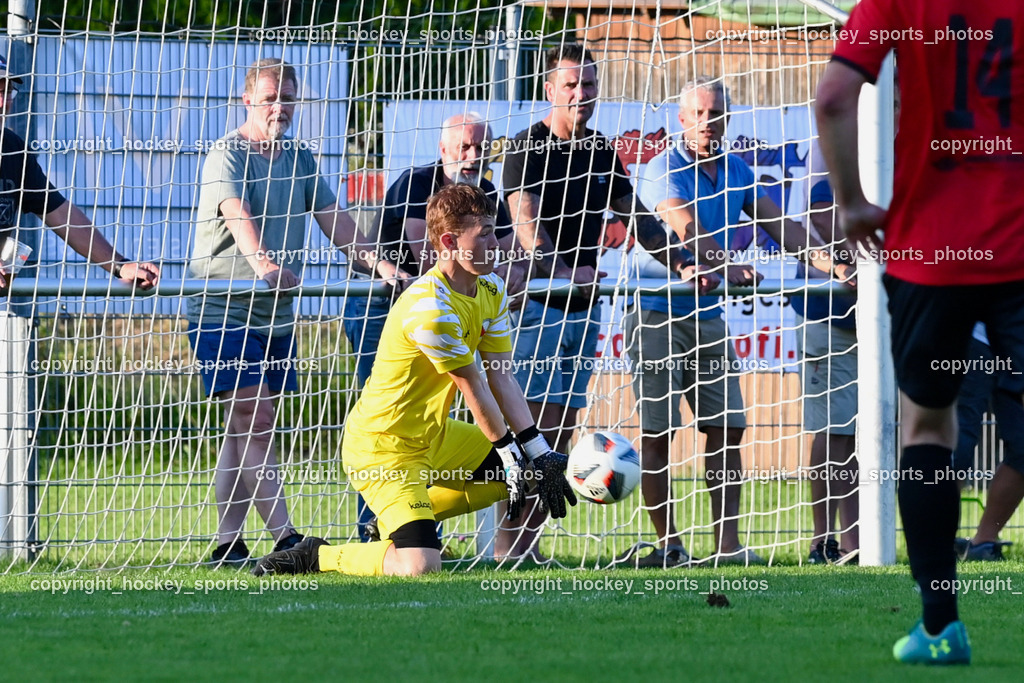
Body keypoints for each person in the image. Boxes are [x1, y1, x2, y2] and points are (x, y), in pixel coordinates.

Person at [817, 0, 1024, 664]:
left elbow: (833, 98)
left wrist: (850, 203)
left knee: (928, 429)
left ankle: (940, 626)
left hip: (930, 253)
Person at [252, 183, 578, 577]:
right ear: (449, 241)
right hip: (383, 448)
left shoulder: (490, 289)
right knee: (420, 566)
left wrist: (538, 451)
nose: (499, 243)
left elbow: (501, 378)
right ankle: (316, 556)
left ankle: (397, 521)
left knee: (531, 471)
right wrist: (511, 453)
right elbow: (472, 388)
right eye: (487, 233)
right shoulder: (430, 307)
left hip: (434, 436)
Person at [628, 77, 851, 568]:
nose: (708, 123)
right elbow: (683, 223)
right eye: (699, 114)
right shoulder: (661, 167)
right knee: (658, 433)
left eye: (717, 114)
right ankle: (669, 545)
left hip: (708, 315)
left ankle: (727, 545)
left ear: (729, 119)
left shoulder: (737, 168)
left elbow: (784, 228)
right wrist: (722, 264)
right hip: (655, 312)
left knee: (728, 428)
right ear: (682, 118)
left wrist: (830, 263)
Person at [501, 43, 705, 561]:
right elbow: (527, 231)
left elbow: (637, 217)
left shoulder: (598, 150)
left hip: (584, 309)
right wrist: (566, 273)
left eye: (588, 85)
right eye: (569, 85)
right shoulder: (527, 148)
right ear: (549, 90)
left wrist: (683, 262)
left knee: (564, 427)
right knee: (531, 429)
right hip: (538, 309)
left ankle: (530, 547)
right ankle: (505, 547)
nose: (580, 94)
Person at [187, 58, 361, 568]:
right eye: (270, 99)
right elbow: (236, 213)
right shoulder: (227, 153)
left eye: (287, 98)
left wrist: (380, 264)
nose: (279, 108)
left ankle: (226, 544)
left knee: (245, 426)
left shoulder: (302, 158)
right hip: (222, 306)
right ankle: (288, 540)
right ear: (248, 101)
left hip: (277, 314)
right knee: (254, 416)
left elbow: (336, 221)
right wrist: (263, 263)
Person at [344, 113, 524, 543]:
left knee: (443, 423)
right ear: (443, 149)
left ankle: (407, 522)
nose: (473, 155)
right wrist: (487, 283)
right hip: (381, 311)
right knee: (392, 416)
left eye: (481, 147)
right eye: (464, 146)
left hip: (446, 314)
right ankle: (379, 532)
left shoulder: (485, 196)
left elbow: (504, 253)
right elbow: (426, 258)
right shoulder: (416, 181)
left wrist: (506, 271)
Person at [0, 54, 159, 292]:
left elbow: (59, 212)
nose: (3, 102)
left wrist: (119, 264)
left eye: (7, 91)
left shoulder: (13, 149)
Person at [792, 140, 859, 565]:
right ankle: (822, 539)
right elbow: (820, 213)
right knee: (830, 427)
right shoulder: (829, 146)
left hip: (881, 311)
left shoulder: (905, 146)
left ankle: (855, 542)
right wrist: (854, 259)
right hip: (826, 309)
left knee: (862, 429)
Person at [952, 323, 1024, 562]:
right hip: (973, 337)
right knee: (958, 437)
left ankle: (983, 544)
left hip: (1014, 345)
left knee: (1022, 445)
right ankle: (935, 541)